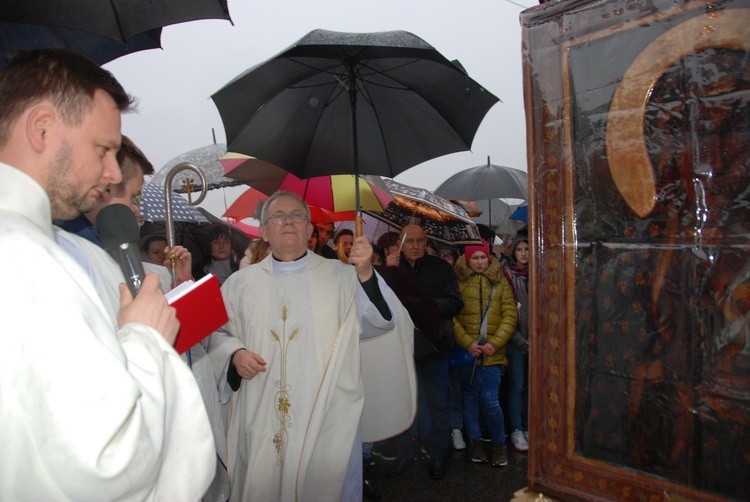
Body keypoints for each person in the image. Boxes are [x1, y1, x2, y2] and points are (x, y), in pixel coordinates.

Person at [0, 48, 214, 499]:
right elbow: (106, 461)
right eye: (103, 149)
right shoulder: (22, 253)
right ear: (41, 129)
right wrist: (144, 340)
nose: (112, 172)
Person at [206, 191, 411, 501]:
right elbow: (218, 334)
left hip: (325, 411)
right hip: (261, 411)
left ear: (309, 229)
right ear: (264, 232)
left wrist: (366, 273)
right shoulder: (239, 284)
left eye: (297, 216)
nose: (288, 221)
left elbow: (381, 321)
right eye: (278, 216)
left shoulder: (341, 277)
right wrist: (235, 354)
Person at [385, 224, 464, 480]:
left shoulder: (441, 268)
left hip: (434, 349)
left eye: (420, 241)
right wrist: (387, 271)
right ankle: (404, 454)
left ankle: (439, 456)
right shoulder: (393, 269)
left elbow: (456, 303)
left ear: (426, 241)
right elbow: (378, 302)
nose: (416, 246)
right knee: (402, 404)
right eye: (410, 241)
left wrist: (427, 305)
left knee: (438, 405)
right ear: (401, 242)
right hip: (402, 349)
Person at [453, 239, 517, 467]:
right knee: (469, 399)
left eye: (483, 257)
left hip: (493, 354)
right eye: (475, 257)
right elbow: (452, 318)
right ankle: (475, 442)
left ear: (489, 258)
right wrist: (467, 342)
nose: (479, 262)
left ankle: (499, 444)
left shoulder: (500, 282)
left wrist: (496, 342)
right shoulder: (458, 282)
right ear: (467, 260)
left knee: (490, 400)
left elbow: (510, 315)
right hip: (467, 353)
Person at [503, 231, 530, 452]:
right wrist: (522, 342)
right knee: (517, 385)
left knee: (531, 386)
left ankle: (529, 426)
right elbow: (507, 311)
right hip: (516, 341)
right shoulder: (507, 274)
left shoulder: (540, 273)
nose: (523, 254)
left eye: (527, 249)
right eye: (519, 250)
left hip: (537, 340)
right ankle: (517, 429)